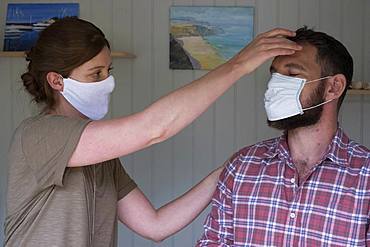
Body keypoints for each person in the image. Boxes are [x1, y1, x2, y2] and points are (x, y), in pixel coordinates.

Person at [4, 17, 301, 247]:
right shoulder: (38, 135)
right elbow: (154, 129)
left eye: (109, 71)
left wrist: (228, 170)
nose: (108, 82)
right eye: (96, 74)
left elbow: (155, 225)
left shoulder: (100, 156)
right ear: (57, 81)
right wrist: (238, 65)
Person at [197, 27, 370, 246]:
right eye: (274, 74)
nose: (274, 86)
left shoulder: (366, 178)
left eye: (292, 74)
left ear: (333, 87)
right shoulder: (241, 167)